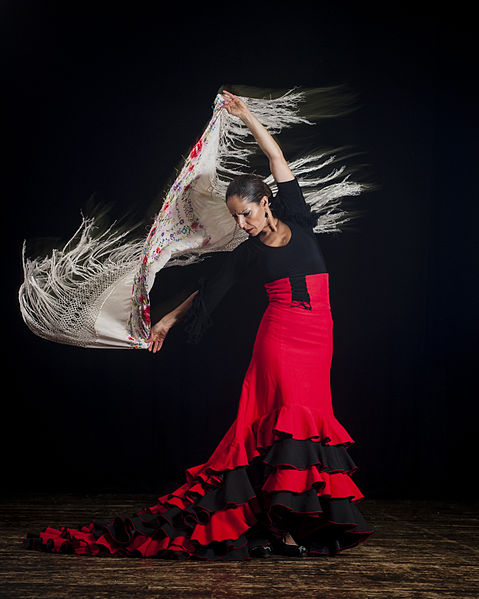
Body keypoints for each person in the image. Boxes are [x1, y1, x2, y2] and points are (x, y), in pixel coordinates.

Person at [22, 90, 374, 560]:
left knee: (307, 430)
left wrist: (245, 114)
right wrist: (166, 320)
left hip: (319, 338)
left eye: (246, 213)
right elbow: (209, 292)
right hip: (280, 340)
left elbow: (275, 155)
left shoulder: (298, 215)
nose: (243, 224)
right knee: (284, 429)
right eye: (235, 218)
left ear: (265, 202)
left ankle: (290, 526)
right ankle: (285, 532)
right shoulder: (247, 252)